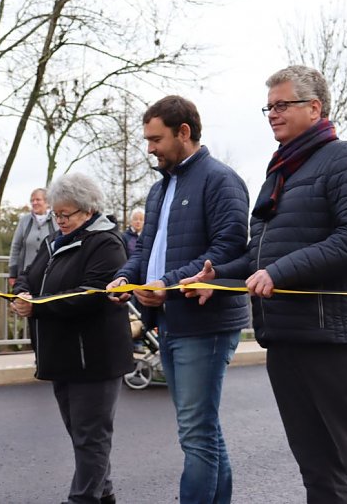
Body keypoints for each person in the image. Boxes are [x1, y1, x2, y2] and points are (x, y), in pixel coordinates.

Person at [181, 65, 347, 504]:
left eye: (283, 105)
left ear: (315, 107)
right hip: (285, 339)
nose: (272, 114)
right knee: (317, 470)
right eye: (269, 107)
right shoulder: (281, 172)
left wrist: (280, 273)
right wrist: (219, 276)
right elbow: (261, 255)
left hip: (333, 340)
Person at [105, 95, 250, 504]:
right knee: (202, 427)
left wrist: (165, 284)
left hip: (206, 321)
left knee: (195, 430)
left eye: (156, 139)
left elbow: (229, 250)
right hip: (168, 319)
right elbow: (143, 250)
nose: (149, 148)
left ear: (184, 132)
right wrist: (124, 277)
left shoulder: (221, 180)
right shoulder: (158, 189)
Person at [11, 173, 133, 504]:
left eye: (67, 215)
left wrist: (35, 308)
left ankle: (84, 498)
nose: (60, 221)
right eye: (57, 214)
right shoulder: (55, 241)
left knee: (90, 435)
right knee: (81, 434)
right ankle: (102, 492)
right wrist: (22, 290)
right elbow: (29, 274)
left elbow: (90, 295)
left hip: (94, 358)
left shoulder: (107, 243)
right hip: (62, 355)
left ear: (89, 210)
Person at [8, 188, 56, 287]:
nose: (34, 203)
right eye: (32, 200)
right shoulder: (24, 221)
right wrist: (13, 273)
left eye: (38, 200)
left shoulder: (56, 220)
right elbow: (16, 247)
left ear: (47, 202)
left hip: (49, 274)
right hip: (26, 276)